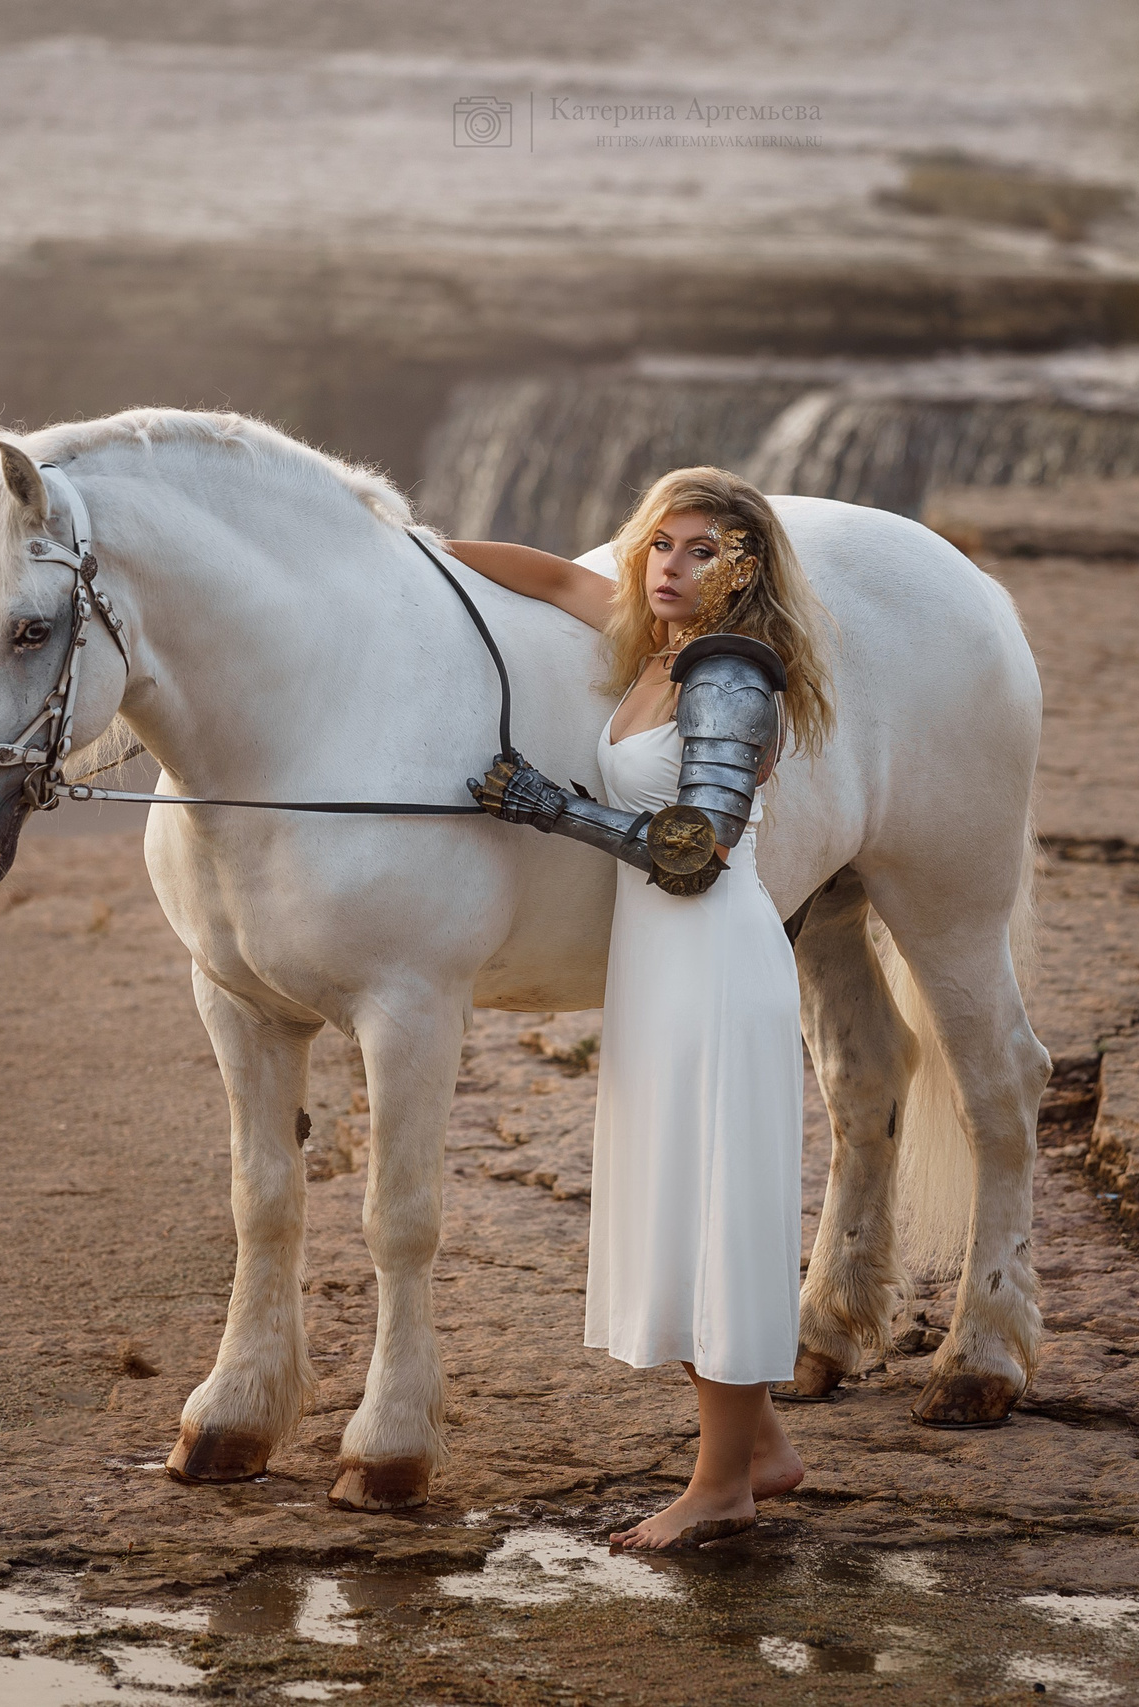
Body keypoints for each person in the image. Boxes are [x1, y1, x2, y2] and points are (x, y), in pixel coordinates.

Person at [448, 466, 837, 1551]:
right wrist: (407, 544)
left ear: (744, 568)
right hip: (660, 969)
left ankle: (719, 1488)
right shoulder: (654, 642)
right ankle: (760, 1448)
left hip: (712, 957)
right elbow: (540, 574)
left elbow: (694, 852)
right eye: (661, 545)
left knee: (712, 1216)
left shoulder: (727, 674)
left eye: (701, 551)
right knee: (675, 1205)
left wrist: (544, 805)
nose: (670, 567)